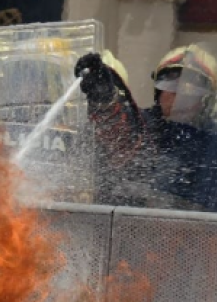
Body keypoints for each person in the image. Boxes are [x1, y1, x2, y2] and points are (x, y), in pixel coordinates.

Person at [75, 45, 217, 210]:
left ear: (207, 99)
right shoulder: (144, 125)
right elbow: (118, 133)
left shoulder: (211, 142)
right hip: (138, 229)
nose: (178, 95)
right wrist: (104, 100)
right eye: (169, 83)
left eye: (191, 87)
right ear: (157, 91)